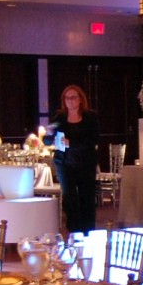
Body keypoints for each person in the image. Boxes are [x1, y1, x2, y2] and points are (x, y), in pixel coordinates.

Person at [50, 84, 100, 234]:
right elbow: (47, 139)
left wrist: (72, 143)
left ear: (80, 100)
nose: (70, 100)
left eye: (73, 97)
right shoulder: (59, 117)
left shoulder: (90, 117)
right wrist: (48, 134)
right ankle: (74, 232)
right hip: (65, 163)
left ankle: (88, 232)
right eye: (67, 98)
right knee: (70, 198)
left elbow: (93, 140)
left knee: (87, 197)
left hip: (86, 162)